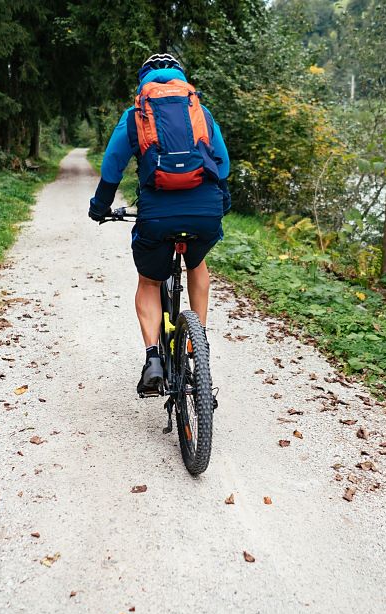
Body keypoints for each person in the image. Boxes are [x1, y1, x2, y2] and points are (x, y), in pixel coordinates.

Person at [88, 53, 230, 395]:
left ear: (144, 80)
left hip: (158, 213)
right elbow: (222, 164)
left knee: (150, 280)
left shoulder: (136, 114)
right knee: (196, 262)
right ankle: (201, 341)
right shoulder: (201, 111)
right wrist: (220, 203)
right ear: (180, 77)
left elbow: (112, 166)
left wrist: (101, 205)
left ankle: (153, 358)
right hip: (204, 210)